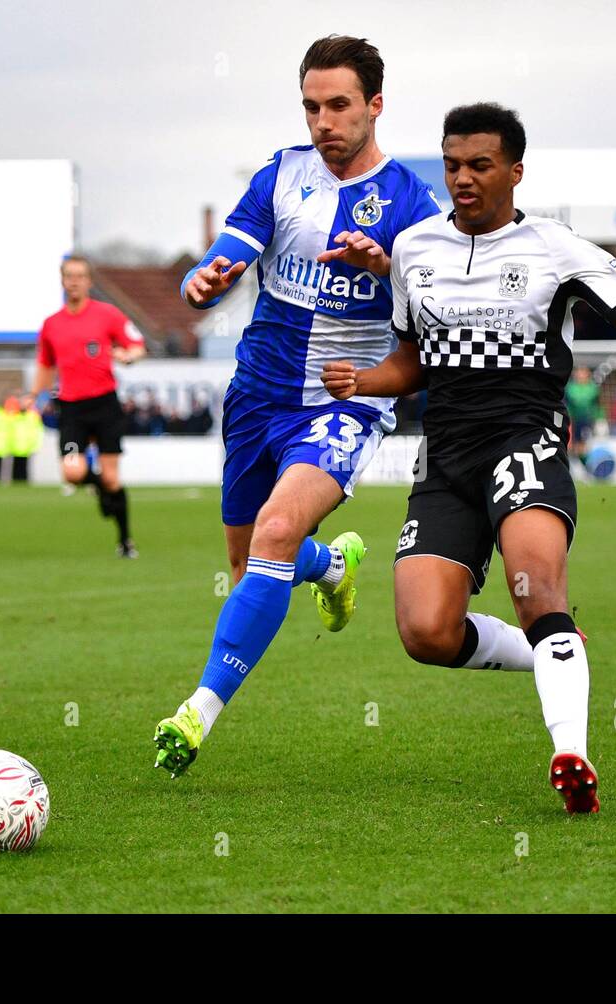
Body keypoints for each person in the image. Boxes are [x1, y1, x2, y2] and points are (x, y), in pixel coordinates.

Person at [321, 103, 616, 813]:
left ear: (514, 170)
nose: (463, 179)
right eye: (451, 165)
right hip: (444, 455)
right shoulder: (415, 249)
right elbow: (413, 361)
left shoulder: (555, 246)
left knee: (535, 584)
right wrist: (362, 379)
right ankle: (551, 648)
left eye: (479, 165)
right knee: (425, 632)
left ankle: (570, 751)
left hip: (525, 440)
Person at [152, 34, 441, 778]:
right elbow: (226, 253)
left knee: (274, 532)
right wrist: (203, 281)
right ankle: (331, 570)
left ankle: (198, 712)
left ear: (375, 105)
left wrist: (386, 268)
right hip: (257, 395)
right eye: (312, 106)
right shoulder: (281, 176)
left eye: (339, 105)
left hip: (344, 401)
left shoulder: (414, 204)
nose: (324, 121)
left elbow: (435, 313)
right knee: (253, 559)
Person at [31, 255, 146, 557]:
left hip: (104, 404)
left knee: (111, 478)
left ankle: (125, 541)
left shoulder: (107, 314)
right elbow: (45, 365)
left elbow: (136, 345)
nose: (74, 281)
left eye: (80, 275)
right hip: (71, 408)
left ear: (88, 281)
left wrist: (129, 356)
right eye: (69, 275)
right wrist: (34, 396)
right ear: (62, 280)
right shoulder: (51, 325)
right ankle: (100, 489)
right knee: (72, 472)